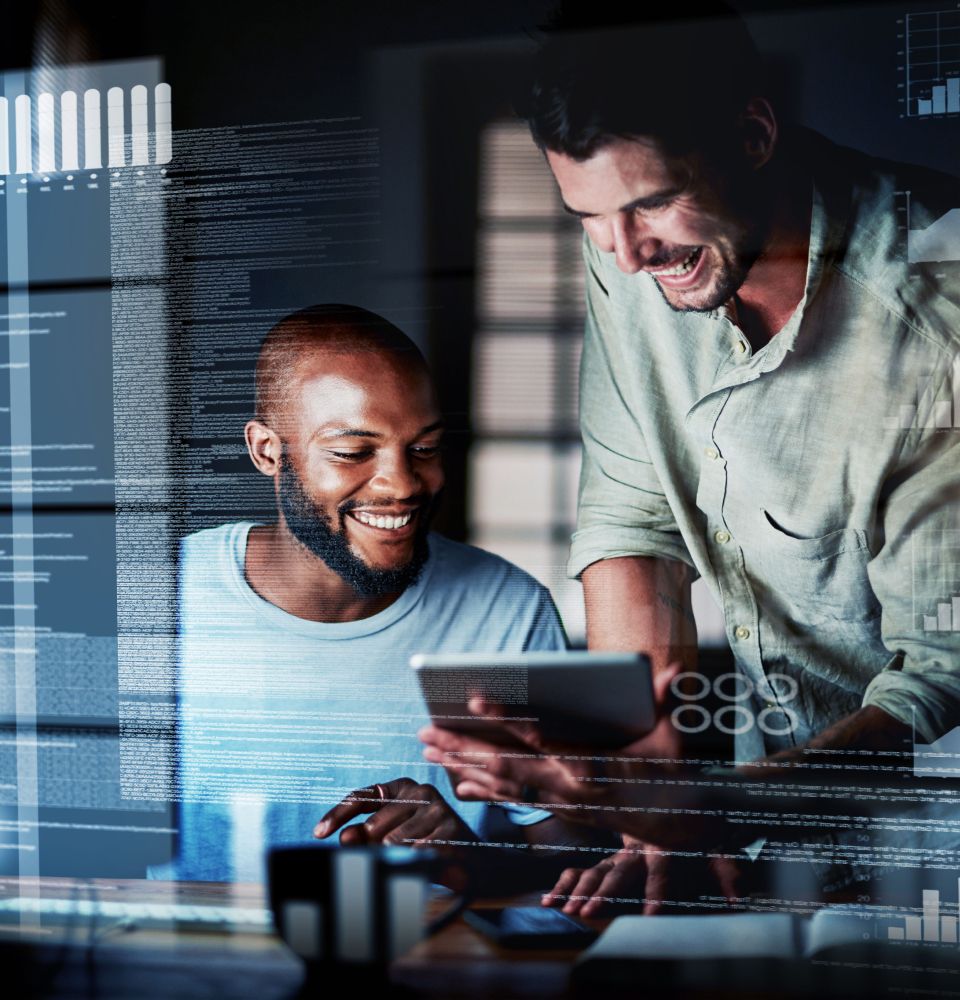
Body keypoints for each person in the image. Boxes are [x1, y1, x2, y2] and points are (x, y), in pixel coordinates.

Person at [421, 5, 960, 916]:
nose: (625, 256)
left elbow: (938, 681)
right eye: (587, 216)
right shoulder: (642, 257)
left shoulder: (938, 311)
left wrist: (696, 810)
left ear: (753, 134)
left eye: (648, 204)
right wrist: (639, 800)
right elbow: (633, 513)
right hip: (769, 836)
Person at [160, 304, 574, 883]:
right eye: (353, 453)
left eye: (425, 449)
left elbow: (578, 872)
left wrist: (466, 859)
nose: (403, 485)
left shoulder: (503, 612)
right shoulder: (164, 595)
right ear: (266, 451)